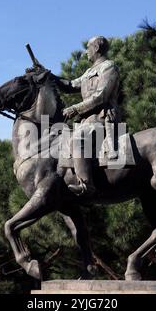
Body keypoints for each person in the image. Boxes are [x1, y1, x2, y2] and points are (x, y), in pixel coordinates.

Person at [56, 36, 121, 196]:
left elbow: (101, 96)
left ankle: (86, 185)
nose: (86, 52)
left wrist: (75, 109)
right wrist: (47, 75)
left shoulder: (109, 66)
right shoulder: (88, 72)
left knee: (78, 139)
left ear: (97, 48)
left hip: (102, 117)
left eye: (88, 47)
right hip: (87, 120)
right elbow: (70, 85)